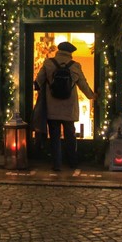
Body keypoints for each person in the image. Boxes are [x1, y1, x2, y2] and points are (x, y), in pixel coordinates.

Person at [34, 41, 97, 171]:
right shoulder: (75, 66)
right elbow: (83, 85)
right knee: (70, 135)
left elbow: (38, 82)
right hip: (69, 108)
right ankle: (73, 162)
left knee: (55, 136)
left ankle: (57, 164)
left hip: (52, 107)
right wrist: (93, 96)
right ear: (71, 53)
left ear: (58, 50)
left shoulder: (48, 63)